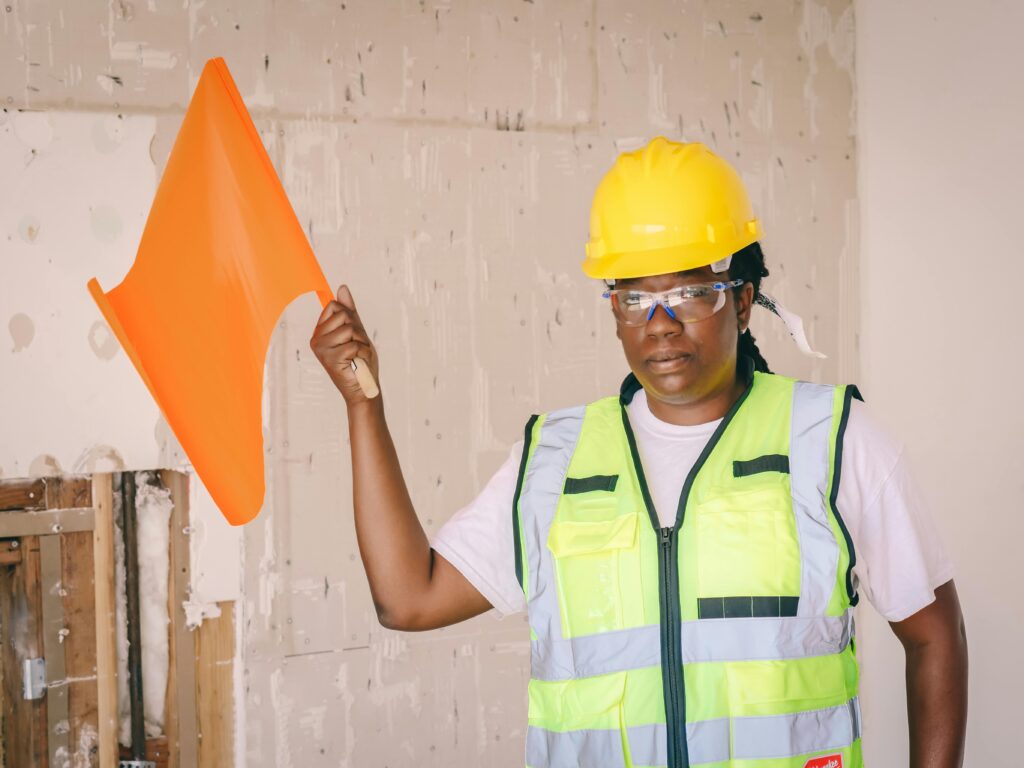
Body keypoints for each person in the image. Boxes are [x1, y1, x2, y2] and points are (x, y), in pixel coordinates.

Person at [310, 137, 968, 768]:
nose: (661, 323)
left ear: (742, 301)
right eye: (636, 299)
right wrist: (363, 405)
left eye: (689, 293)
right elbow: (408, 598)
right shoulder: (553, 462)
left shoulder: (832, 441)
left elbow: (934, 635)